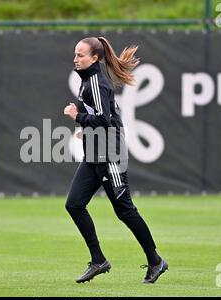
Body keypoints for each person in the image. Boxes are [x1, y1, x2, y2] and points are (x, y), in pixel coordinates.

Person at [63, 37, 168, 284]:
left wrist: (77, 117)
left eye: (80, 55)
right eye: (75, 54)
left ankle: (156, 261)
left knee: (125, 211)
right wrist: (85, 128)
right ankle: (98, 260)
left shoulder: (97, 84)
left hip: (110, 155)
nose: (75, 59)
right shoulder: (87, 81)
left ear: (95, 58)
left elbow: (103, 119)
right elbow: (101, 119)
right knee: (74, 204)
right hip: (95, 154)